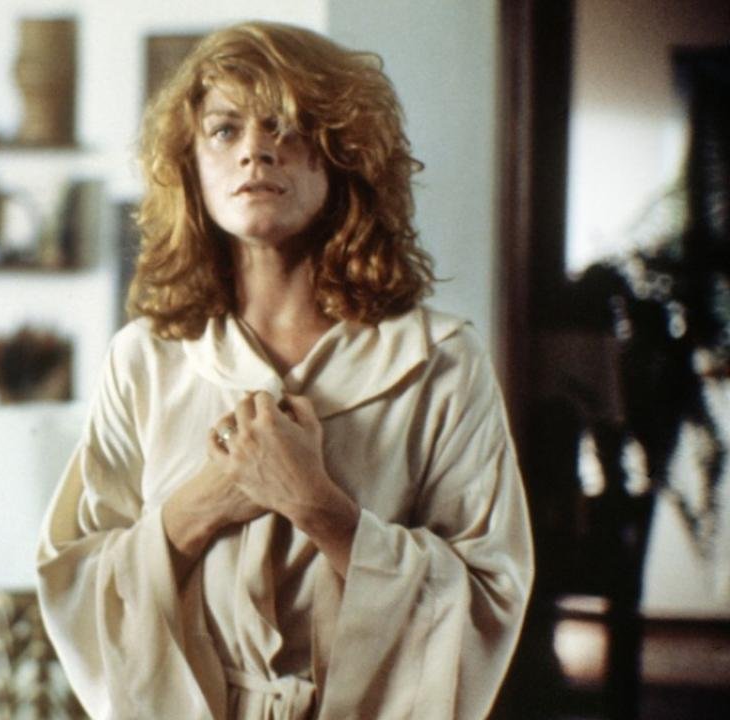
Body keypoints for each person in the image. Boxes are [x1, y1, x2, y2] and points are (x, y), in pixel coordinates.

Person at [36, 21, 533, 720]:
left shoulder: (439, 363)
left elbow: (487, 594)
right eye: (225, 129)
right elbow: (79, 579)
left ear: (344, 155)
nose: (255, 151)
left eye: (286, 126)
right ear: (190, 165)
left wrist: (317, 506)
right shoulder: (144, 359)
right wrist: (209, 498)